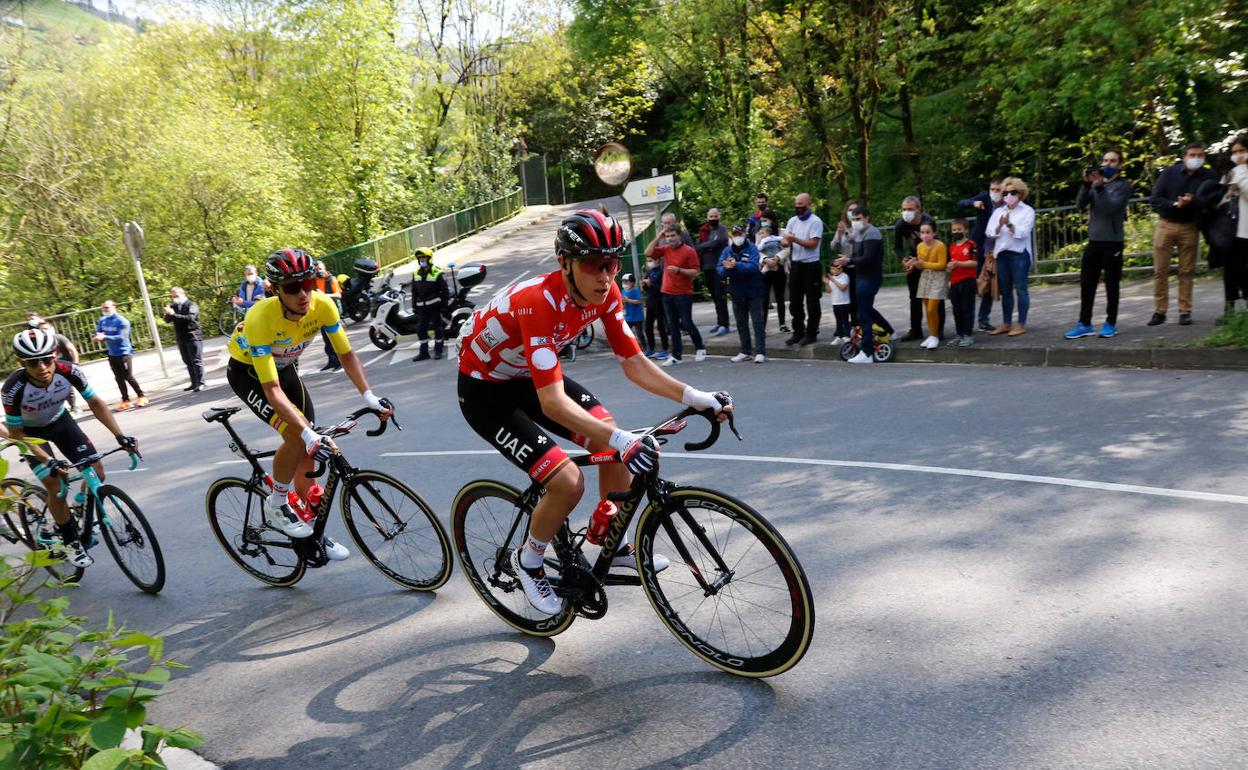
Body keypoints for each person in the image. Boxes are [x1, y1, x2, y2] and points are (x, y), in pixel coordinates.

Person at [456, 209, 732, 615]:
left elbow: (635, 363)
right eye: (592, 264)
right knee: (568, 482)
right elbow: (551, 402)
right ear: (565, 263)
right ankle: (529, 560)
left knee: (610, 431)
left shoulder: (607, 294)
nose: (605, 275)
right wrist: (622, 442)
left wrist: (696, 396)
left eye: (612, 263)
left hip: (527, 377)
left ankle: (610, 542)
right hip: (486, 392)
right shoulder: (539, 302)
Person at [226, 248, 393, 560]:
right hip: (250, 375)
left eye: (309, 283)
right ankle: (277, 503)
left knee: (309, 441)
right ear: (276, 291)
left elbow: (345, 355)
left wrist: (369, 397)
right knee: (296, 434)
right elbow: (271, 388)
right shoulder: (260, 317)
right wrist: (303, 432)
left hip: (286, 368)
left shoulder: (323, 305)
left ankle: (313, 531)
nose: (304, 293)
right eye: (293, 288)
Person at [4, 328, 140, 568]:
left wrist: (120, 436)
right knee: (55, 485)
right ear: (21, 362)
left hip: (60, 421)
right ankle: (70, 541)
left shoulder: (69, 371)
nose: (43, 367)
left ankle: (78, 506)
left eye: (47, 359)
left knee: (96, 470)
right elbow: (17, 435)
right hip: (30, 434)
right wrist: (48, 461)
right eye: (34, 362)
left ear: (55, 355)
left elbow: (96, 403)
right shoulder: (13, 389)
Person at [1149, 142, 1219, 325]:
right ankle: (1159, 311)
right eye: (1193, 155)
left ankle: (1185, 311)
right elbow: (1155, 199)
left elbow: (1215, 202)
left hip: (1190, 227)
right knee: (1160, 270)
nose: (1197, 158)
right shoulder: (1169, 173)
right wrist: (1174, 204)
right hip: (1166, 224)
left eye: (1200, 155)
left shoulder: (1209, 176)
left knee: (1187, 271)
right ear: (1184, 157)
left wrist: (1194, 200)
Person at [1066, 149, 1133, 339]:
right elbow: (1080, 204)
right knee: (1087, 284)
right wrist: (1087, 185)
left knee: (1112, 285)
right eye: (1105, 160)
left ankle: (1111, 322)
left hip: (1112, 243)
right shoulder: (1096, 185)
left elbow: (1111, 208)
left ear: (1120, 165)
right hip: (1094, 241)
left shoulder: (1123, 185)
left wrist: (1100, 187)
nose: (1108, 164)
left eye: (1113, 161)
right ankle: (1084, 323)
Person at [834, 206, 886, 364]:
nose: (855, 222)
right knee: (865, 311)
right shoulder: (858, 233)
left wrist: (848, 260)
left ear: (867, 218)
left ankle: (867, 352)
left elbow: (867, 258)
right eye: (853, 219)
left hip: (870, 277)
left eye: (859, 219)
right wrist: (846, 256)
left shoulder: (872, 233)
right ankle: (888, 332)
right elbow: (854, 251)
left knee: (864, 315)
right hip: (860, 276)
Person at [985, 178, 1036, 337]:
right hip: (1002, 255)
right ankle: (1007, 323)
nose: (1008, 195)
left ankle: (1021, 324)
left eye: (1012, 192)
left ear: (1020, 193)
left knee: (1021, 290)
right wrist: (1000, 224)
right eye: (1005, 193)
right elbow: (989, 232)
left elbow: (1023, 233)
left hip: (1019, 254)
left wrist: (1009, 225)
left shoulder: (1028, 211)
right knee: (1006, 291)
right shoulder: (998, 211)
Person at [654, 225, 707, 366]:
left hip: (683, 293)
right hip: (667, 292)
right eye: (668, 236)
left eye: (673, 235)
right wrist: (659, 236)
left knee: (687, 323)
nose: (670, 238)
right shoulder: (665, 249)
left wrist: (679, 270)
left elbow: (695, 272)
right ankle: (676, 355)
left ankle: (700, 348)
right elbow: (648, 252)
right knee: (672, 326)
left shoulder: (689, 251)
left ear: (679, 236)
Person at [959, 179, 1004, 331]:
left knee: (990, 284)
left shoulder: (1008, 202)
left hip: (995, 249)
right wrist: (974, 204)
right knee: (971, 282)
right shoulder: (984, 198)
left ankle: (983, 320)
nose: (995, 192)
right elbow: (962, 202)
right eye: (993, 189)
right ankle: (967, 320)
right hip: (978, 246)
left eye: (998, 189)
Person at [895, 196, 942, 341]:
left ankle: (938, 330)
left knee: (934, 297)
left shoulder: (928, 222)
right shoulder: (901, 225)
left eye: (910, 209)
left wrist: (920, 260)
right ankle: (916, 330)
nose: (906, 212)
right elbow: (897, 247)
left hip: (930, 262)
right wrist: (904, 259)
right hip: (913, 263)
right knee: (914, 298)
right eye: (904, 209)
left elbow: (935, 244)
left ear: (919, 210)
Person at [1212, 136, 1248, 321]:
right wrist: (1228, 192)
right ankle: (1229, 309)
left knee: (1244, 269)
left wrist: (1241, 175)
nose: (1238, 155)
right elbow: (1219, 202)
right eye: (1235, 152)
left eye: (1242, 151)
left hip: (1245, 230)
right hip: (1229, 229)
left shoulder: (1241, 172)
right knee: (1231, 270)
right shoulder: (1228, 174)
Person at [719, 224, 767, 363]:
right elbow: (719, 270)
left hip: (754, 290)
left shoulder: (752, 247)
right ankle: (745, 351)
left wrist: (736, 265)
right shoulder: (727, 250)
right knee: (741, 323)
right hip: (737, 291)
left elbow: (753, 266)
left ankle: (760, 352)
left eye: (739, 234)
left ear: (745, 235)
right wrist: (726, 268)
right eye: (735, 234)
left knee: (757, 322)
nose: (737, 237)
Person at [782, 192, 825, 346]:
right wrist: (786, 242)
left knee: (812, 301)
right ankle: (798, 332)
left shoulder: (815, 222)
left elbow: (813, 244)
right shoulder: (792, 221)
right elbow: (786, 241)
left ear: (809, 204)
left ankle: (812, 332)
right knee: (795, 301)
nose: (798, 208)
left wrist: (795, 240)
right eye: (797, 205)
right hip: (796, 264)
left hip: (811, 265)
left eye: (802, 205)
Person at [92, 300, 147, 410]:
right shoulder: (102, 320)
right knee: (118, 378)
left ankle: (141, 396)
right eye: (103, 308)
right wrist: (96, 336)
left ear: (114, 307)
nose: (104, 310)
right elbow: (98, 332)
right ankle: (125, 400)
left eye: (107, 307)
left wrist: (105, 337)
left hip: (124, 352)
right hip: (112, 353)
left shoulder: (122, 321)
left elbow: (122, 337)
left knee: (128, 376)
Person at [407, 248, 450, 362]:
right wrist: (414, 306)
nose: (422, 260)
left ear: (429, 259)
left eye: (424, 258)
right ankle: (424, 352)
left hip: (435, 306)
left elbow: (445, 291)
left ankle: (438, 351)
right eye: (420, 258)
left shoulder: (437, 272)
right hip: (422, 307)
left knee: (437, 329)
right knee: (421, 330)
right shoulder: (416, 273)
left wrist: (444, 306)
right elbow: (414, 292)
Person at [162, 287, 204, 392]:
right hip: (181, 337)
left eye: (176, 295)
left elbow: (190, 318)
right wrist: (168, 313)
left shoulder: (191, 304)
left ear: (182, 293)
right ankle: (193, 383)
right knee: (187, 361)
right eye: (173, 295)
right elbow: (167, 320)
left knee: (196, 360)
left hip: (193, 336)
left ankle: (200, 382)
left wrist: (173, 314)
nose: (174, 297)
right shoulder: (174, 306)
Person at [696, 209, 731, 336]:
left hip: (719, 267)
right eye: (711, 216)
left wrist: (705, 246)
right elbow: (698, 245)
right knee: (714, 297)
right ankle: (719, 321)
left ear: (719, 217)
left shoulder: (722, 229)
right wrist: (707, 246)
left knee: (720, 296)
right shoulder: (705, 231)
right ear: (707, 217)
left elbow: (717, 242)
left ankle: (725, 324)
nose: (713, 218)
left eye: (715, 216)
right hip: (707, 267)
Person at [914, 222, 949, 349]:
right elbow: (920, 264)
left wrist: (923, 264)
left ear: (934, 233)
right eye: (922, 232)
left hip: (938, 278)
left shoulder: (940, 246)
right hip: (925, 277)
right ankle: (932, 334)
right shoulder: (919, 246)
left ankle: (935, 336)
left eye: (928, 232)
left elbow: (942, 265)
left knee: (932, 309)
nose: (925, 235)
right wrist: (916, 264)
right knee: (927, 308)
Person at [946, 218, 978, 347]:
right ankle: (959, 334)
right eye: (954, 230)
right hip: (954, 282)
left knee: (967, 308)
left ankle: (968, 335)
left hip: (968, 281)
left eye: (959, 229)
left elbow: (974, 263)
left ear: (966, 230)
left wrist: (959, 263)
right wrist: (949, 266)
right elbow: (948, 264)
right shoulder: (951, 246)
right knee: (957, 310)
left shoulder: (971, 245)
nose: (956, 232)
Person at [309, 260, 344, 371]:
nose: (318, 271)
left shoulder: (331, 279)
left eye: (320, 269)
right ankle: (332, 361)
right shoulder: (314, 281)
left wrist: (325, 295)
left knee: (334, 338)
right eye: (316, 270)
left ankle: (339, 361)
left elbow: (338, 295)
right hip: (320, 312)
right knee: (326, 339)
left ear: (324, 268)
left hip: (333, 310)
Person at [757, 224, 789, 333]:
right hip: (766, 267)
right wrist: (765, 259)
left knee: (780, 297)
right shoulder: (760, 234)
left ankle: (782, 324)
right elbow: (758, 249)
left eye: (766, 219)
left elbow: (787, 248)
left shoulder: (781, 233)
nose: (764, 222)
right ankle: (762, 326)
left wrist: (776, 258)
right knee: (764, 299)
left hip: (779, 266)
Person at [640, 249, 669, 360]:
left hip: (660, 302)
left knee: (661, 327)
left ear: (657, 260)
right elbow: (648, 288)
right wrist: (644, 285)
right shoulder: (649, 272)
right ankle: (651, 349)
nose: (649, 262)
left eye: (651, 260)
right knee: (648, 327)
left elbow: (662, 288)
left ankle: (665, 350)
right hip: (650, 302)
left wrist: (651, 284)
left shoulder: (662, 272)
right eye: (648, 260)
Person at [824, 263, 851, 345]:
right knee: (838, 321)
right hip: (835, 303)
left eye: (833, 269)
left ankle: (847, 336)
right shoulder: (832, 279)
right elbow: (828, 291)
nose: (831, 271)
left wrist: (833, 280)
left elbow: (843, 288)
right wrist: (827, 283)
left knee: (845, 320)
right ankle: (839, 336)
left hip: (844, 303)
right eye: (831, 269)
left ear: (840, 269)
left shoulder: (844, 276)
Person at [620, 273, 646, 348]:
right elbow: (623, 302)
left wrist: (628, 300)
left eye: (626, 281)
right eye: (623, 281)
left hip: (637, 317)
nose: (624, 283)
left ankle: (645, 347)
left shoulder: (635, 291)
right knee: (626, 333)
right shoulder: (623, 291)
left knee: (640, 334)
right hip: (628, 317)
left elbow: (639, 301)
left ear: (632, 282)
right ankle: (629, 348)